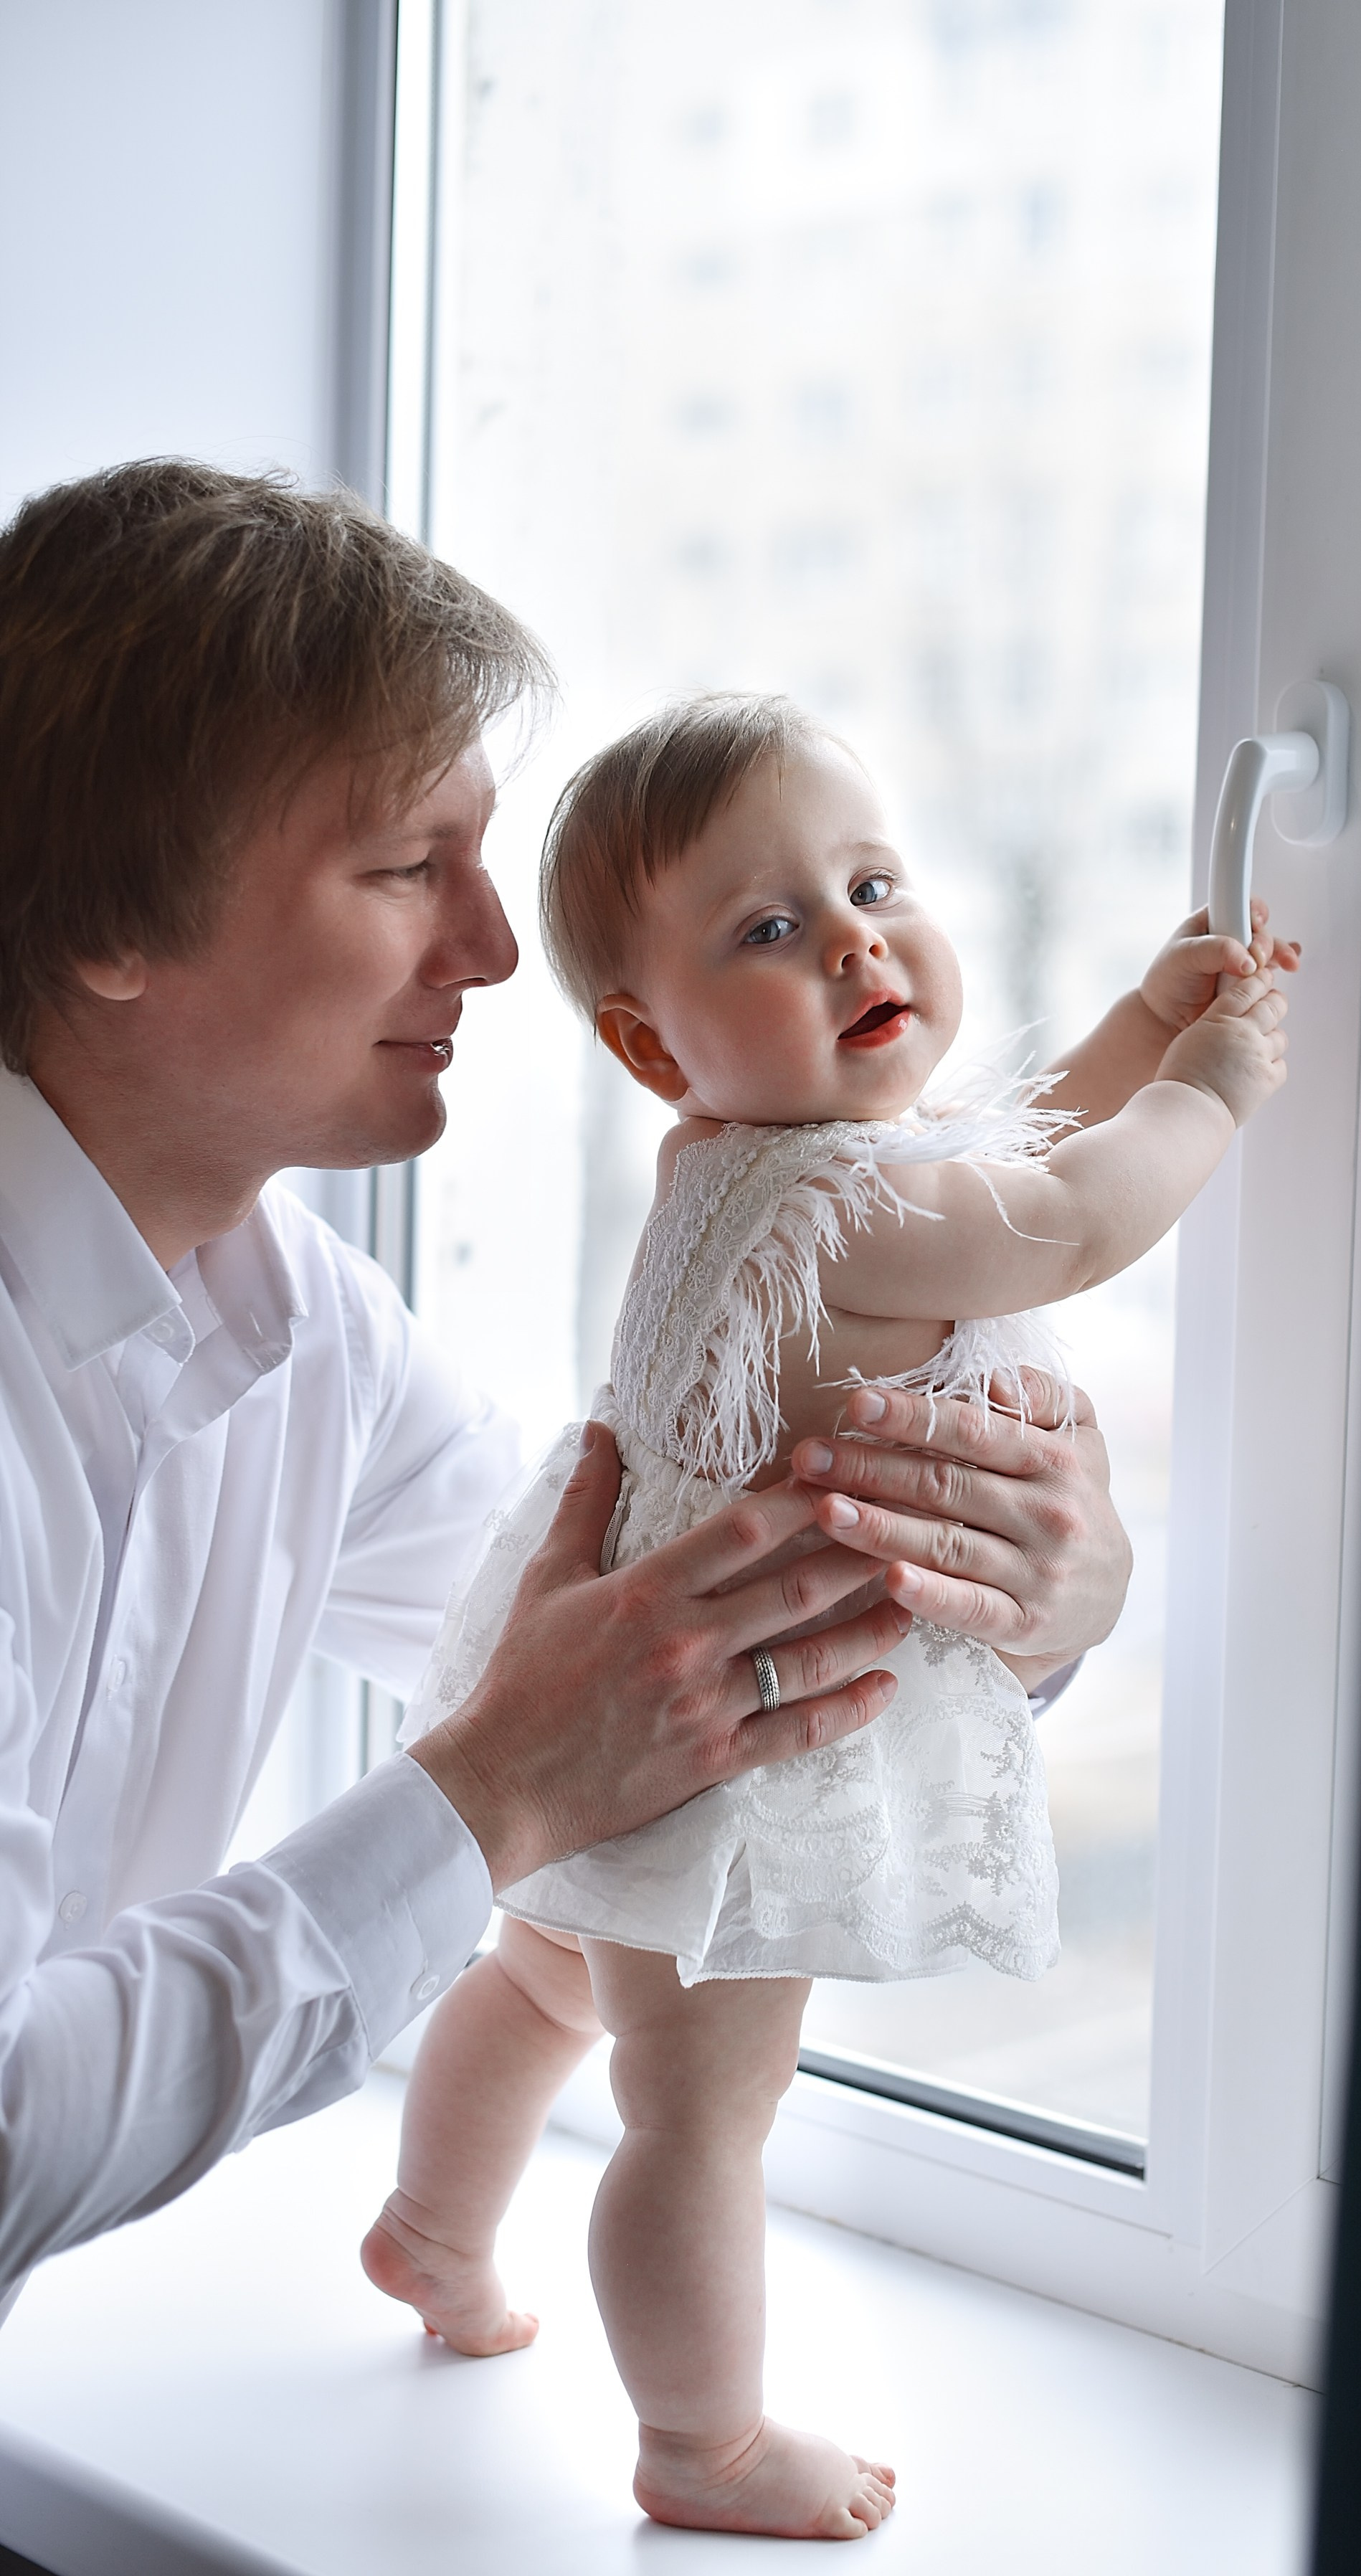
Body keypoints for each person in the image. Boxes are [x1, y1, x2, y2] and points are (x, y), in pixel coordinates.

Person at [0, 468, 1133, 2320]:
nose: (495, 950)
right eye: (401, 871)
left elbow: (668, 1649)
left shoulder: (306, 1335)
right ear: (106, 930)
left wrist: (1031, 1611)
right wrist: (494, 1793)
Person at [364, 694, 1297, 2541]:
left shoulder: (729, 1152)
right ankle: (696, 2438)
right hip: (722, 1715)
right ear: (650, 1042)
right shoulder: (854, 1216)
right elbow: (1065, 1219)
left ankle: (434, 2228)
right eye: (770, 928)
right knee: (703, 2098)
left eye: (873, 882)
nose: (856, 937)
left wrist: (1139, 1025)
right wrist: (1207, 1091)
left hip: (613, 1657)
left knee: (551, 1967)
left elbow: (995, 1137)